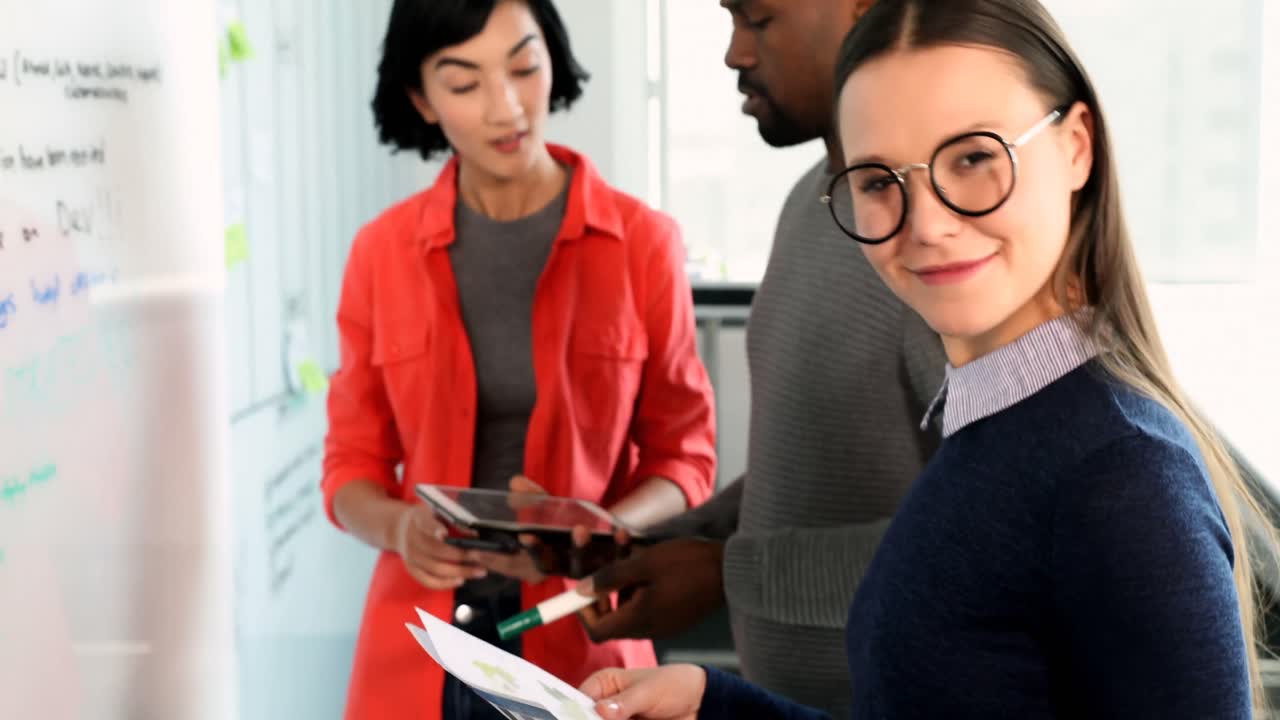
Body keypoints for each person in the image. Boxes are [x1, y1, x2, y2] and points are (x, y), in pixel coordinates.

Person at [580, 0, 1278, 717]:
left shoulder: (1123, 479)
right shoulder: (987, 430)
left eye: (974, 158)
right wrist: (712, 703)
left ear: (1076, 147)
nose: (928, 225)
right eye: (879, 182)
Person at [320, 1, 717, 718]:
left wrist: (603, 528)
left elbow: (685, 457)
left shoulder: (642, 242)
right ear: (422, 100)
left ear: (552, 62)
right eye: (465, 83)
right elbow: (351, 467)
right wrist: (401, 529)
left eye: (524, 67)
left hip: (583, 633)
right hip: (421, 648)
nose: (507, 107)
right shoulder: (380, 254)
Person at [578, 1, 945, 717]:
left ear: (861, 11)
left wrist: (726, 574)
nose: (734, 53)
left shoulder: (934, 249)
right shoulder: (808, 204)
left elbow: (981, 536)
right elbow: (801, 468)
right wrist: (666, 537)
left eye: (758, 18)